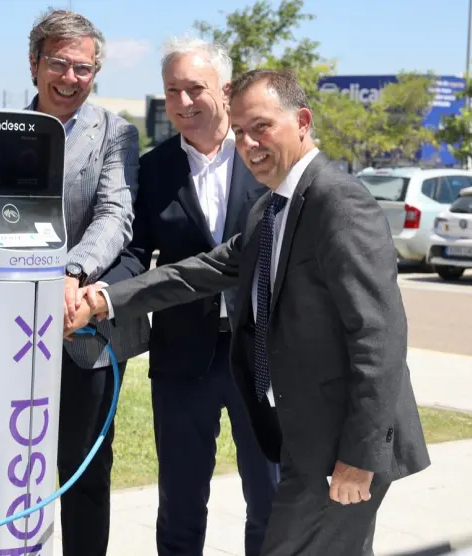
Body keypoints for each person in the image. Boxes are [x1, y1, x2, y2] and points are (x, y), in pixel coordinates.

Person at [71, 69, 430, 555]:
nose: (248, 142)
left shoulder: (339, 204)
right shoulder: (271, 209)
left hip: (342, 449)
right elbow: (196, 272)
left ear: (302, 121)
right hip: (305, 444)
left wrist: (359, 457)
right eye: (239, 131)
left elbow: (380, 338)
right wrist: (106, 299)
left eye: (261, 126)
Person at [117, 37, 277, 556]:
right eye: (172, 92)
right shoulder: (154, 168)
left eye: (195, 89)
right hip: (183, 360)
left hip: (262, 357)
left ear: (225, 91)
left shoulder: (266, 158)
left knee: (271, 499)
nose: (183, 103)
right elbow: (136, 253)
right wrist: (101, 291)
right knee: (181, 506)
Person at [25, 9, 150, 556]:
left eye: (84, 68)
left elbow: (114, 215)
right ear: (34, 64)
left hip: (83, 333)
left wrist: (73, 273)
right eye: (59, 64)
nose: (70, 79)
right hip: (9, 334)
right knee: (11, 467)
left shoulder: (116, 134)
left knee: (83, 474)